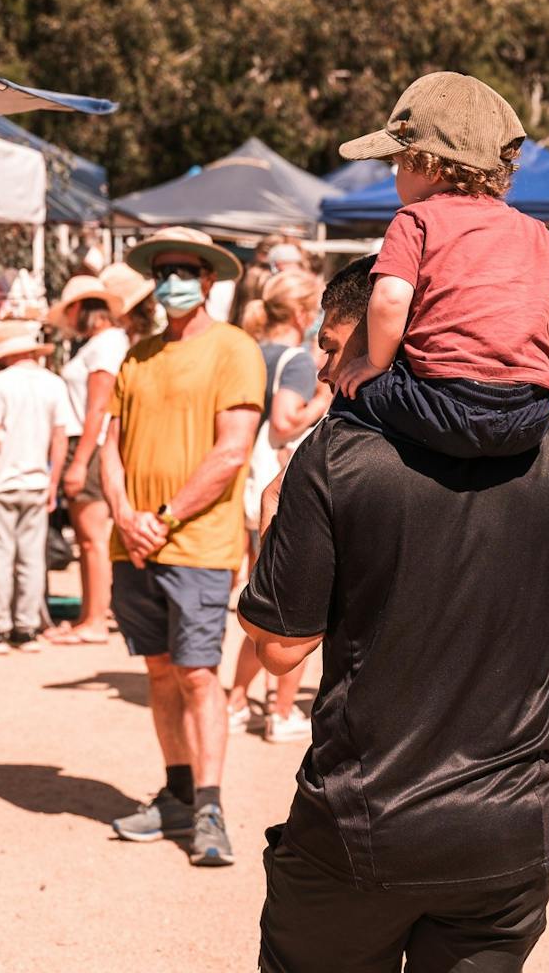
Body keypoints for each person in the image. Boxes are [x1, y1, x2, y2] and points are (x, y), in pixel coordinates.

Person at [238, 257, 549, 973]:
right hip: (505, 833)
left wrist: (269, 525)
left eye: (331, 343)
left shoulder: (335, 456)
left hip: (363, 826)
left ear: (391, 333)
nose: (320, 365)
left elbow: (281, 650)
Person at [101, 226, 265, 867]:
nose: (171, 280)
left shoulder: (234, 350)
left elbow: (232, 450)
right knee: (160, 670)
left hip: (196, 543)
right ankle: (174, 793)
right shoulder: (136, 356)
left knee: (199, 675)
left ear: (207, 281)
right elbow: (108, 448)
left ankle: (209, 806)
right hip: (134, 545)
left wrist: (161, 518)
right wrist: (123, 514)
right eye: (162, 269)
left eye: (184, 270)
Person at [332, 71, 549, 458]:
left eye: (398, 162)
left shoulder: (415, 220)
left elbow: (391, 300)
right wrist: (534, 361)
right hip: (529, 410)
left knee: (347, 399)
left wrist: (374, 363)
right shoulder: (534, 229)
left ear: (428, 166)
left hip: (444, 402)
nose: (395, 175)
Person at [228, 267, 331, 743]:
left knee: (262, 597)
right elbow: (287, 419)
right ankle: (282, 710)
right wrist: (325, 399)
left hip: (248, 485)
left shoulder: (251, 349)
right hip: (279, 483)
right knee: (295, 607)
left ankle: (235, 701)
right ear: (300, 312)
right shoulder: (298, 360)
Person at [47, 272, 145, 645]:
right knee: (92, 538)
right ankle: (93, 614)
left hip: (87, 444)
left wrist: (78, 460)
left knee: (92, 538)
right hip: (87, 442)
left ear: (77, 309)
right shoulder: (105, 343)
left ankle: (95, 620)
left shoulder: (104, 345)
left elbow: (98, 407)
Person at [0, 321, 71, 654]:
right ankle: (25, 628)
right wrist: (53, 482)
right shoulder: (53, 384)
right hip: (37, 482)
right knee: (31, 559)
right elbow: (60, 438)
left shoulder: (0, 384)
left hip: (2, 483)